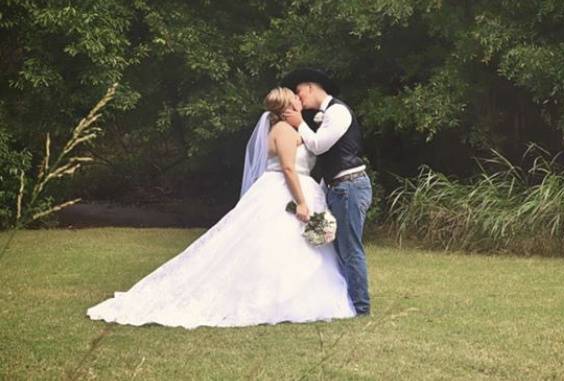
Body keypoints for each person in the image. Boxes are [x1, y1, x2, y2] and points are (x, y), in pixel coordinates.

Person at [86, 87, 356, 329]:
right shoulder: (284, 131)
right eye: (294, 98)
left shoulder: (292, 128)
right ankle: (276, 298)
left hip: (300, 188)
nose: (300, 99)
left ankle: (300, 294)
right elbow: (288, 168)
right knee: (276, 244)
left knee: (298, 246)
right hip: (284, 191)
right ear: (287, 108)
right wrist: (301, 201)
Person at [281, 68, 373, 316]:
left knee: (350, 247)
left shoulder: (338, 112)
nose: (298, 98)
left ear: (311, 87)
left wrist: (299, 123)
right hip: (337, 188)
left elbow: (319, 146)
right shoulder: (324, 115)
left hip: (350, 186)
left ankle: (361, 307)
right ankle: (349, 302)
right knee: (339, 248)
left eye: (299, 92)